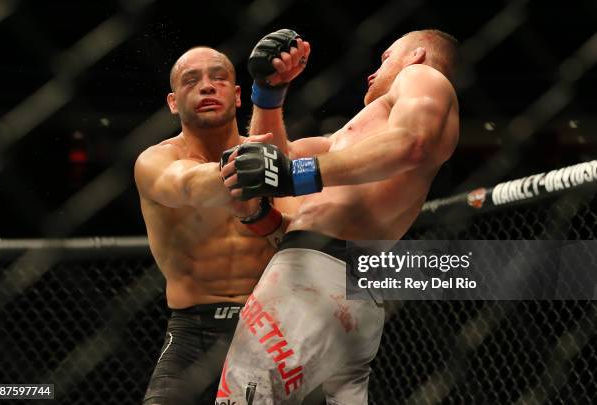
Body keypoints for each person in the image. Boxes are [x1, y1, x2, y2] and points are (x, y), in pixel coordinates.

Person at [218, 29, 459, 404]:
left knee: (249, 394)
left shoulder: (423, 78)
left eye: (385, 58)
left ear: (416, 55)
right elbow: (276, 164)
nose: (371, 72)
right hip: (350, 285)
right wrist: (268, 93)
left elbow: (410, 143)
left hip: (316, 272)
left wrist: (294, 176)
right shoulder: (349, 138)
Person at [134, 31, 310, 405]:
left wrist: (264, 194)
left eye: (219, 77)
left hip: (273, 327)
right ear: (172, 102)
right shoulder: (154, 161)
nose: (207, 87)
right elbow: (185, 184)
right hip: (195, 332)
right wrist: (241, 171)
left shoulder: (273, 152)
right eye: (191, 80)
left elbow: (294, 237)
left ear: (238, 95)